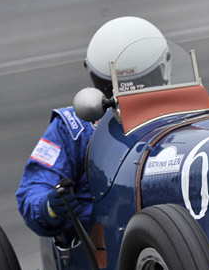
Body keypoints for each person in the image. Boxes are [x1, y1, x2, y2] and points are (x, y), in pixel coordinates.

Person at [16, 16, 172, 237]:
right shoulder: (73, 127)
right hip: (101, 247)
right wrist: (49, 206)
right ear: (163, 68)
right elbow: (33, 189)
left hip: (176, 239)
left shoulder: (184, 116)